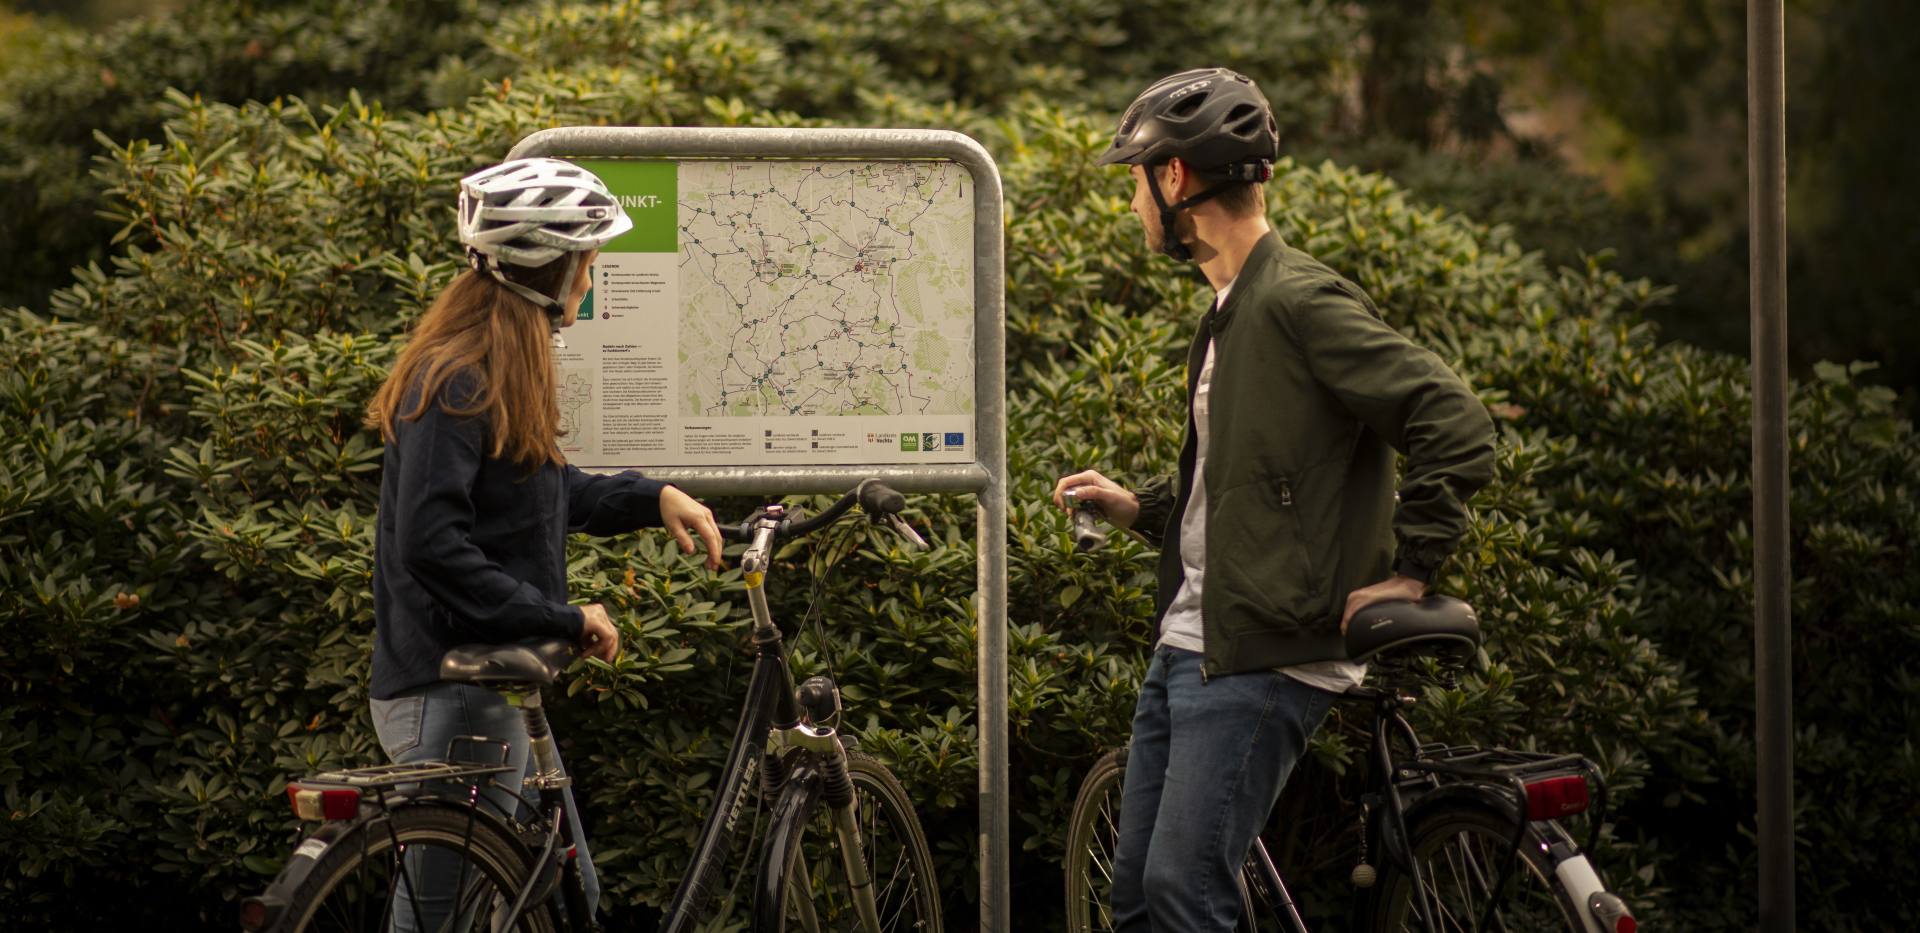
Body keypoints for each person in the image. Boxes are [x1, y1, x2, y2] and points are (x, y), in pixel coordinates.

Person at [1051, 68, 1497, 932]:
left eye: (1135, 181)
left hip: (1267, 652)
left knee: (1185, 890)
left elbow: (1455, 419)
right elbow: (1252, 479)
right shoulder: (1230, 311)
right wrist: (1141, 507)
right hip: (1194, 640)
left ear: (1174, 178)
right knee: (1140, 896)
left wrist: (1413, 571)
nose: (1134, 204)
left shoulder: (1298, 299)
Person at [364, 157, 725, 931]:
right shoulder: (454, 379)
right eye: (588, 265)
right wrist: (562, 617)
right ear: (548, 270)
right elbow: (430, 543)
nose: (590, 285)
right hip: (451, 688)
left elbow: (540, 497)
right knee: (436, 921)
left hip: (481, 689)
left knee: (566, 899)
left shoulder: (493, 370)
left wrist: (649, 495)